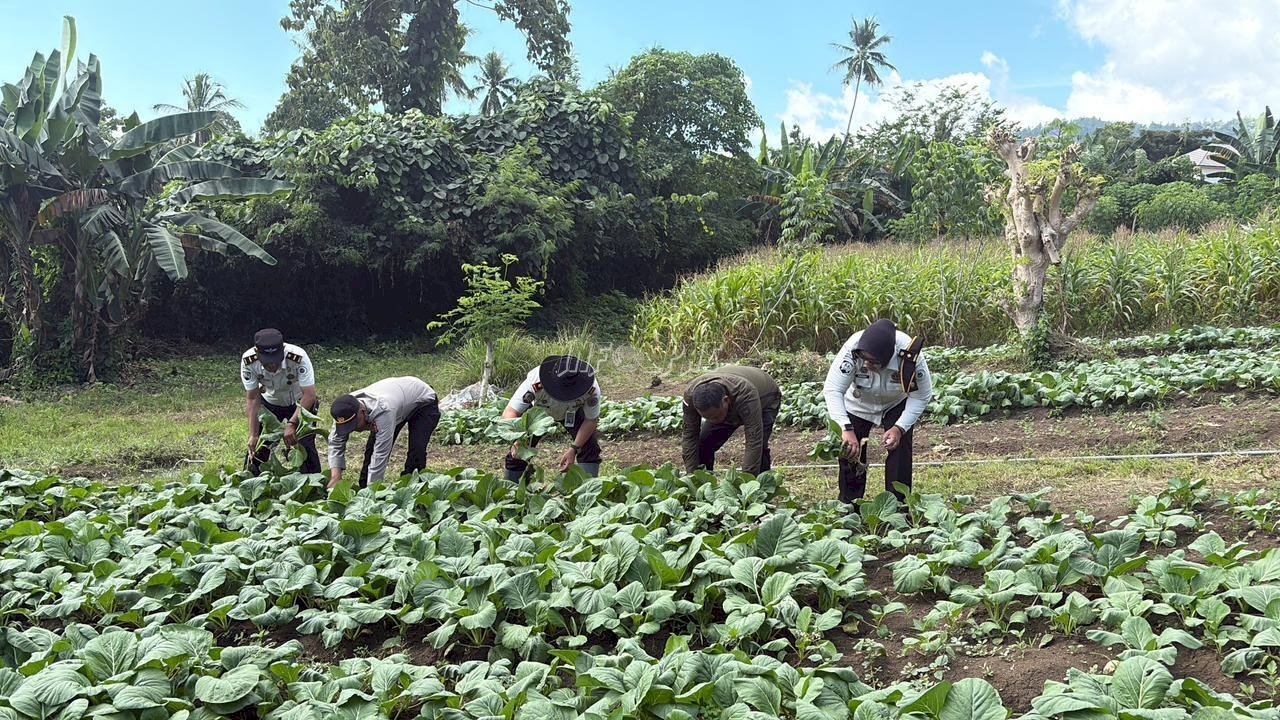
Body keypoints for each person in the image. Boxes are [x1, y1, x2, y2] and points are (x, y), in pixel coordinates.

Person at [823, 318, 933, 502]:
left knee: (899, 449)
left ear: (887, 357)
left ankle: (898, 505)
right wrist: (845, 428)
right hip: (857, 404)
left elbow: (921, 395)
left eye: (872, 361)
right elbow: (832, 389)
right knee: (850, 450)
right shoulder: (852, 350)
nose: (866, 364)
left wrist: (899, 428)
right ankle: (849, 503)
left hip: (895, 402)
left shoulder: (910, 356)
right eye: (863, 359)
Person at [326, 376, 440, 490]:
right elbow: (335, 443)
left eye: (355, 424)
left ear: (362, 411)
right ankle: (363, 487)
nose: (353, 429)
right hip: (398, 398)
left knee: (417, 449)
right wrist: (336, 476)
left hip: (423, 400)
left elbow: (381, 454)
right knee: (370, 450)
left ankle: (414, 488)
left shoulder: (383, 411)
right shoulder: (342, 411)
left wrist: (373, 491)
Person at [503, 355, 603, 480]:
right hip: (538, 413)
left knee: (589, 447)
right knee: (519, 453)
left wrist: (574, 448)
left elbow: (591, 420)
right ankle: (513, 491)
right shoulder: (535, 380)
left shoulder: (591, 388)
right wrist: (518, 440)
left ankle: (589, 491)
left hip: (573, 412)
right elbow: (510, 412)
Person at [241, 328, 320, 474]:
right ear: (257, 353)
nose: (272, 365)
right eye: (267, 362)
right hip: (270, 402)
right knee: (259, 447)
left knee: (305, 445)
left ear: (282, 351)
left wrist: (292, 423)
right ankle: (252, 482)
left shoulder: (298, 356)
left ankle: (314, 486)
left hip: (300, 402)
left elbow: (309, 395)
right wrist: (253, 434)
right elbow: (252, 398)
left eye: (275, 360)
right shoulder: (249, 361)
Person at [681, 366, 782, 476]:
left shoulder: (745, 394)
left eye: (715, 416)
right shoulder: (690, 396)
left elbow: (754, 440)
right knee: (704, 443)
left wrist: (747, 484)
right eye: (707, 418)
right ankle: (704, 481)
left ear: (726, 400)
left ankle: (762, 487)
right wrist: (692, 477)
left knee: (759, 447)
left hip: (766, 396)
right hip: (730, 397)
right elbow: (689, 437)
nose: (712, 421)